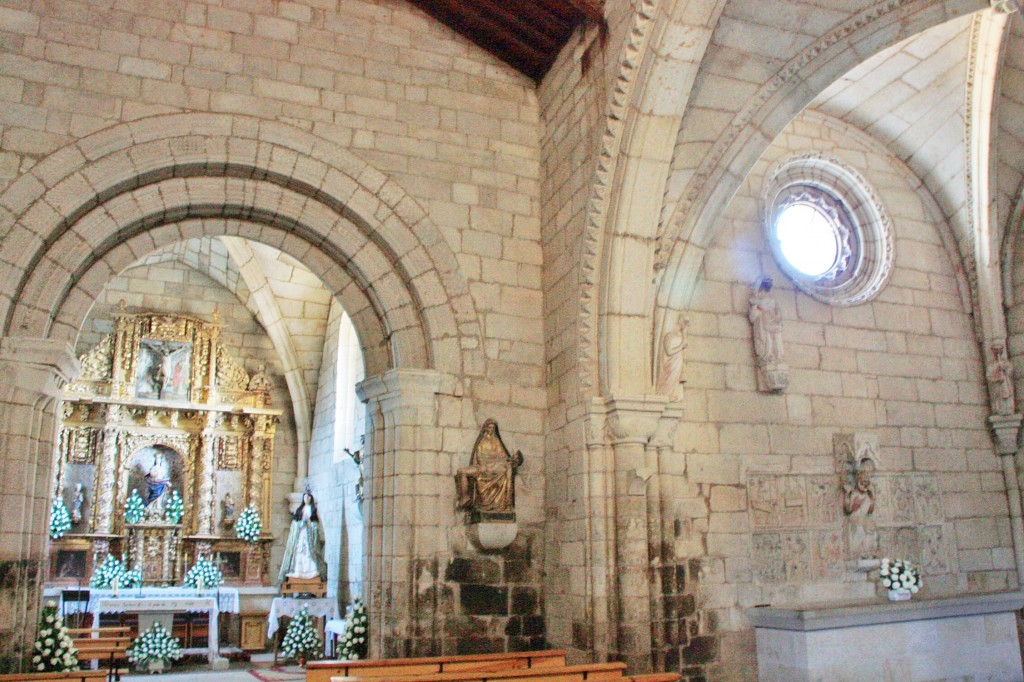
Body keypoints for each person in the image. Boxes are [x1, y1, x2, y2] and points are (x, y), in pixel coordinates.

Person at [455, 420, 524, 515]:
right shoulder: (482, 442)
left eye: (493, 428)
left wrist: (498, 462)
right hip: (484, 466)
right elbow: (479, 457)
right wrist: (489, 462)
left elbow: (502, 456)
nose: (491, 430)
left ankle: (469, 499)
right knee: (461, 471)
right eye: (489, 427)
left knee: (466, 472)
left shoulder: (497, 443)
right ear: (485, 428)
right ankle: (465, 497)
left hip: (489, 469)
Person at [278, 489, 327, 584]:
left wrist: (310, 524)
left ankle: (311, 573)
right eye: (305, 497)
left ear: (311, 498)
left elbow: (316, 524)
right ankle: (298, 572)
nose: (306, 499)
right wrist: (300, 524)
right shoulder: (300, 509)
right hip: (301, 534)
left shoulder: (313, 510)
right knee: (299, 553)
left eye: (308, 497)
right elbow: (295, 523)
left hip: (311, 537)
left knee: (309, 554)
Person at [748, 277, 783, 366]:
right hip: (764, 325)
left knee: (773, 340)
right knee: (767, 340)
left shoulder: (771, 301)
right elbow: (752, 317)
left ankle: (775, 356)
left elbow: (778, 314)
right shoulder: (760, 301)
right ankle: (769, 355)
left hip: (770, 324)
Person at [656, 316, 688, 400]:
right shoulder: (669, 336)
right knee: (667, 388)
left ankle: (674, 395)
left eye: (687, 322)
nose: (686, 324)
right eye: (684, 321)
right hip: (671, 365)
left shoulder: (682, 337)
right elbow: (669, 352)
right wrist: (681, 346)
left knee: (676, 391)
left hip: (678, 365)